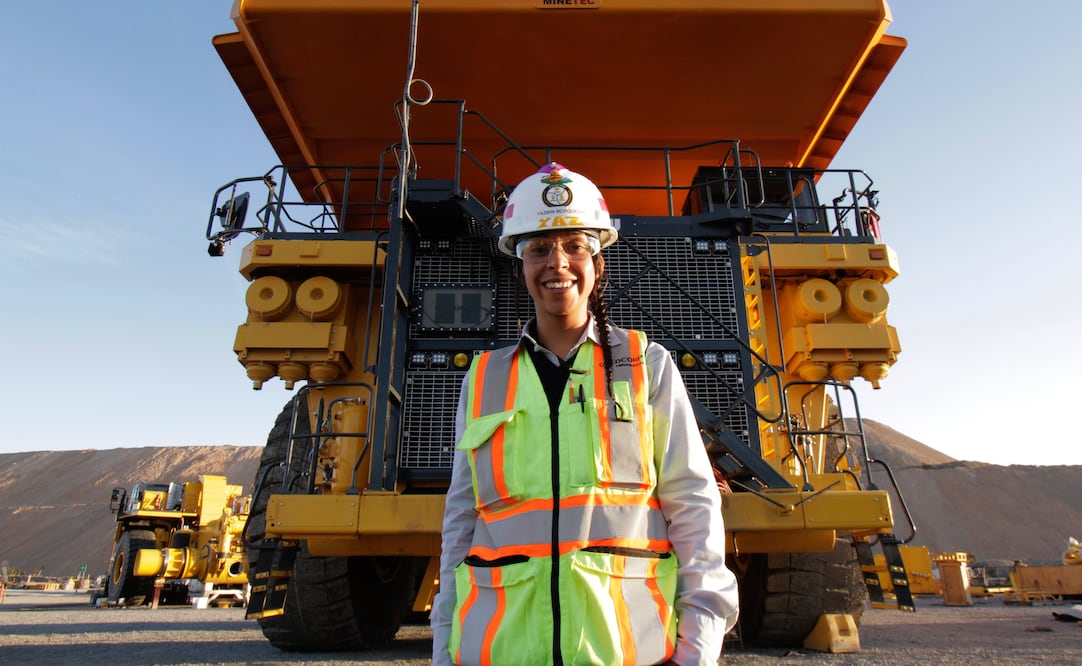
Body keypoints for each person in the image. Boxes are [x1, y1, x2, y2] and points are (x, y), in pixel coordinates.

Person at [431, 163, 739, 665]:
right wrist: (444, 648)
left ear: (597, 261)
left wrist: (698, 652)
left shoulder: (648, 366)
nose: (557, 263)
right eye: (538, 249)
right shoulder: (484, 380)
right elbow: (461, 522)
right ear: (521, 265)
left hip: (622, 652)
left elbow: (693, 509)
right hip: (503, 652)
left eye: (574, 245)